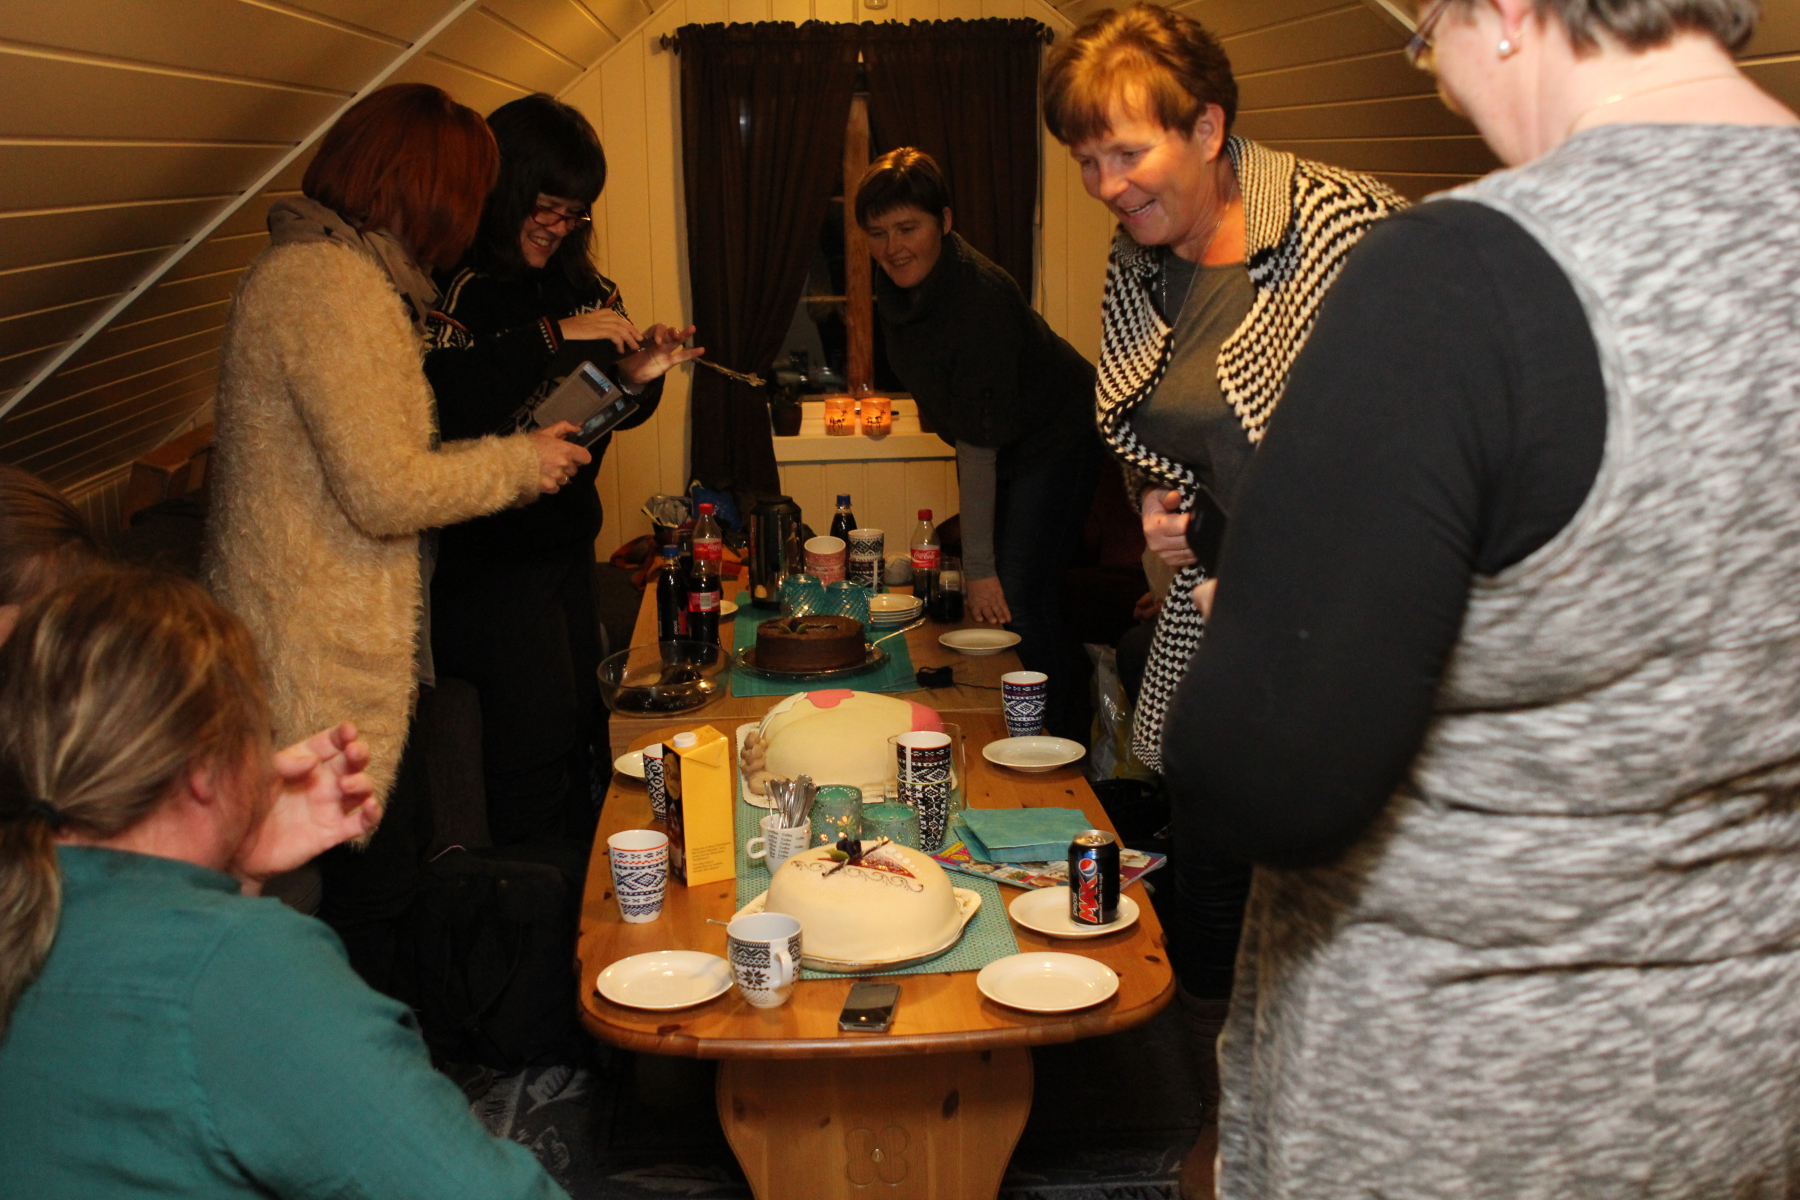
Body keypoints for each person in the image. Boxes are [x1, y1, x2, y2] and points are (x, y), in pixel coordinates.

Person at [1160, 0, 1800, 1195]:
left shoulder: (1459, 275)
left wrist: (1248, 604)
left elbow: (1260, 778)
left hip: (1466, 1102)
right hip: (1754, 1086)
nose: (1445, 87)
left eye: (1428, 41)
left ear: (1505, 11)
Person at [1039, 6, 1404, 1163]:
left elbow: (1409, 460)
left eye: (1126, 151)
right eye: (1085, 159)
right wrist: (1160, 515)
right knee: (1207, 877)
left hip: (1338, 641)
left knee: (1317, 902)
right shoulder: (1140, 253)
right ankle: (1215, 1122)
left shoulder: (1343, 227)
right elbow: (1148, 423)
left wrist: (1278, 581)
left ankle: (1321, 1130)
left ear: (1207, 127)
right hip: (1214, 622)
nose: (1106, 184)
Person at [0, 569, 564, 1199]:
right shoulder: (242, 967)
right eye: (261, 731)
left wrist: (237, 867)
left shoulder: (29, 903)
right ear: (204, 769)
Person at [204, 83, 592, 808]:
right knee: (354, 865)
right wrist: (522, 464)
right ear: (427, 189)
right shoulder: (329, 288)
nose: (476, 212)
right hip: (316, 653)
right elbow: (384, 491)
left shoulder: (340, 275)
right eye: (472, 191)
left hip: (325, 639)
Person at [425, 93, 701, 847]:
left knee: (586, 724)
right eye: (546, 206)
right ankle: (539, 902)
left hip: (564, 551)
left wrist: (637, 377)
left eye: (575, 213)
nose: (558, 226)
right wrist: (552, 335)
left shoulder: (588, 287)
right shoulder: (457, 287)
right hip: (484, 570)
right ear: (503, 189)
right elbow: (442, 405)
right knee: (528, 756)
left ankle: (585, 886)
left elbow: (593, 416)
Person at [857, 148, 1099, 740]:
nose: (892, 247)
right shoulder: (899, 288)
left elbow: (977, 441)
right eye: (878, 233)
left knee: (1018, 596)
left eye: (907, 228)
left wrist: (982, 569)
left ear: (944, 221)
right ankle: (1029, 729)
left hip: (1059, 434)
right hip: (1007, 440)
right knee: (1007, 592)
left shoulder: (981, 298)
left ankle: (1059, 743)